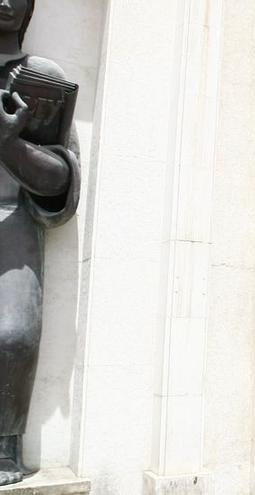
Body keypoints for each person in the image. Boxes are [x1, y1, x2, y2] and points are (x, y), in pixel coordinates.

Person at [0, 0, 80, 486]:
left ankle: (6, 442)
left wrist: (9, 144)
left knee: (13, 334)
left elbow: (60, 178)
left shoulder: (42, 78)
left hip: (13, 216)